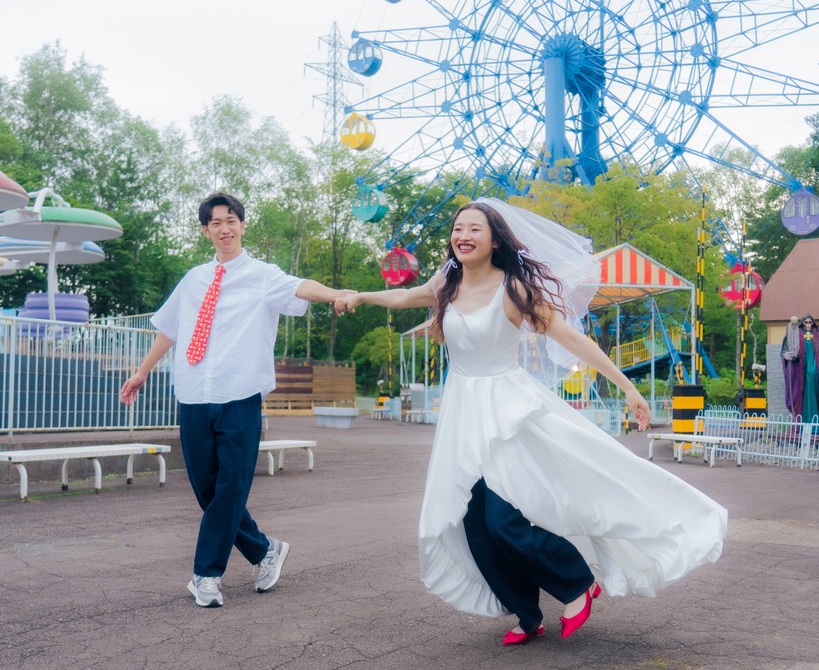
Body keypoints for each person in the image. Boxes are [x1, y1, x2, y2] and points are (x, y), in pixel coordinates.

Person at [337, 198, 726, 646]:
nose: (463, 236)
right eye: (458, 228)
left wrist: (628, 387)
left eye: (474, 229)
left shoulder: (515, 291)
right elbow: (405, 296)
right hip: (463, 413)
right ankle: (526, 613)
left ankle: (577, 582)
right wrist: (361, 295)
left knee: (504, 520)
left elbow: (573, 340)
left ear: (495, 239)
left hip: (508, 412)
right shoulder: (446, 281)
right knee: (473, 524)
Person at [119, 192, 352, 608]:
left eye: (231, 220)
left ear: (243, 225)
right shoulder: (193, 279)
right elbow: (169, 330)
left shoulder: (263, 275)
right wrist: (142, 371)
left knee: (231, 486)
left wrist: (336, 292)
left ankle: (206, 575)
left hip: (240, 393)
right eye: (216, 223)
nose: (224, 228)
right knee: (208, 490)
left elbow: (301, 287)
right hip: (192, 393)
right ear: (205, 230)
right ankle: (265, 551)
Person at [785, 313, 819, 429]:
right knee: (799, 395)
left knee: (815, 395)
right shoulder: (795, 335)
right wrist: (785, 355)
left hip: (815, 372)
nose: (808, 324)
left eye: (810, 322)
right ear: (802, 323)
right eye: (806, 322)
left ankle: (816, 424)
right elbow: (786, 349)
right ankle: (801, 425)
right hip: (800, 371)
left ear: (813, 323)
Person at [780, 315, 800, 413]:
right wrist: (785, 355)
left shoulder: (802, 337)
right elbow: (782, 353)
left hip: (800, 368)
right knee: (791, 392)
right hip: (791, 368)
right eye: (792, 324)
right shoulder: (786, 338)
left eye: (796, 324)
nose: (794, 326)